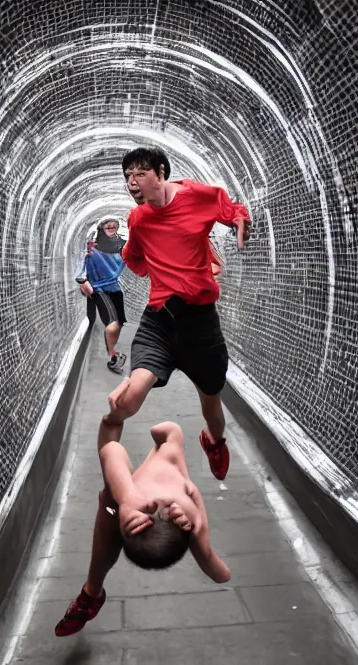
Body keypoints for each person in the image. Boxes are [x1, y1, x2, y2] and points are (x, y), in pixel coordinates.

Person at [106, 146, 251, 481]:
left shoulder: (195, 196)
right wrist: (153, 267)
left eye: (140, 174)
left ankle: (214, 442)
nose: (132, 182)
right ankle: (114, 472)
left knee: (211, 402)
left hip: (201, 322)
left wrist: (240, 220)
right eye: (128, 176)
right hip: (161, 318)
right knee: (133, 393)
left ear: (160, 173)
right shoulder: (138, 218)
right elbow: (134, 258)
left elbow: (226, 207)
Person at [54, 407, 231, 637]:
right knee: (110, 498)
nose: (153, 502)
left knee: (108, 502)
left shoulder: (128, 501)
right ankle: (92, 591)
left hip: (114, 508)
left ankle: (92, 591)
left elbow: (112, 450)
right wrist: (198, 511)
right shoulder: (189, 513)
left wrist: (127, 500)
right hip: (130, 506)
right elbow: (220, 574)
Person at [75, 218, 128, 374]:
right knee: (113, 324)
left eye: (114, 226)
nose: (112, 228)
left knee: (118, 323)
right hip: (99, 289)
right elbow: (80, 264)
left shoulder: (123, 246)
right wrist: (82, 280)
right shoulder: (92, 248)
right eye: (108, 226)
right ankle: (113, 356)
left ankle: (113, 353)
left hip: (115, 288)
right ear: (102, 229)